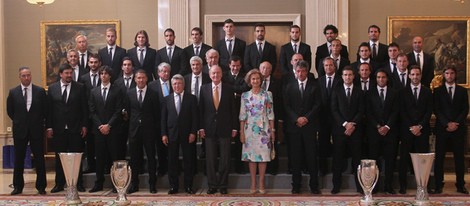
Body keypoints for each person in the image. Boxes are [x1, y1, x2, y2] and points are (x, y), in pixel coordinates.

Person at [46, 63, 88, 193]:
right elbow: (49, 110)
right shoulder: (52, 88)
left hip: (75, 128)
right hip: (59, 129)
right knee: (60, 158)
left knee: (76, 158)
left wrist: (84, 125)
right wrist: (49, 127)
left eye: (71, 73)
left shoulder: (80, 88)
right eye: (67, 73)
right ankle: (59, 183)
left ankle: (78, 183)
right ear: (61, 74)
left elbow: (84, 109)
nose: (69, 75)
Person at [7, 67, 47, 195]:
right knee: (18, 159)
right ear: (20, 77)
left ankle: (41, 186)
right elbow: (10, 111)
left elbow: (45, 110)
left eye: (28, 75)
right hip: (20, 130)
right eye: (23, 76)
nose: (26, 78)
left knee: (39, 159)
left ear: (31, 76)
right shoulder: (13, 92)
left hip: (36, 130)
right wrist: (20, 121)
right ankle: (18, 186)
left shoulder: (39, 91)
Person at [283, 60, 321, 194]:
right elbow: (286, 106)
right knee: (295, 158)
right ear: (295, 72)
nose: (300, 73)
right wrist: (296, 119)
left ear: (307, 71)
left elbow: (317, 105)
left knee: (311, 157)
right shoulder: (289, 86)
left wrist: (306, 118)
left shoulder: (314, 86)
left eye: (303, 71)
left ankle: (314, 186)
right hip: (294, 128)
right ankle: (296, 186)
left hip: (309, 127)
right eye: (298, 71)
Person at [199, 65, 238, 195]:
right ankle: (212, 185)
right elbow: (201, 109)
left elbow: (233, 110)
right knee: (210, 159)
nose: (215, 75)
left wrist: (234, 127)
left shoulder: (228, 89)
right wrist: (201, 128)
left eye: (218, 73)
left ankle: (223, 185)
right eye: (213, 73)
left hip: (225, 128)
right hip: (209, 128)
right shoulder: (203, 89)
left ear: (222, 74)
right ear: (210, 75)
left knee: (225, 158)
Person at [433, 65, 469, 194]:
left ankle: (460, 184)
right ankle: (438, 184)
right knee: (440, 158)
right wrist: (447, 123)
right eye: (447, 73)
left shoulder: (462, 91)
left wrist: (456, 123)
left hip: (458, 130)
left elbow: (465, 109)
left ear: (455, 75)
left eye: (452, 73)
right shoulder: (438, 91)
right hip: (443, 129)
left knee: (459, 158)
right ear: (444, 75)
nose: (449, 76)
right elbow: (437, 109)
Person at [87, 66, 123, 193]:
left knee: (115, 157)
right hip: (98, 130)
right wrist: (100, 126)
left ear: (110, 76)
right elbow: (92, 111)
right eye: (101, 74)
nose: (103, 76)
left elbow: (118, 111)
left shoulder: (117, 91)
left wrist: (109, 125)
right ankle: (99, 183)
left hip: (113, 130)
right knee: (100, 158)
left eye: (106, 74)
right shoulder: (94, 91)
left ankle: (116, 183)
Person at [161, 74, 199, 195]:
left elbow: (195, 118)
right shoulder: (167, 99)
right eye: (175, 84)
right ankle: (174, 186)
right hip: (171, 134)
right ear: (172, 86)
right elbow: (163, 118)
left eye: (179, 83)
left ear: (184, 85)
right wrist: (164, 134)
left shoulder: (191, 98)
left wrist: (193, 132)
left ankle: (188, 186)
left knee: (188, 160)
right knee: (172, 161)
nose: (177, 86)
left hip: (188, 134)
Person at [239, 69, 275, 194]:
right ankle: (253, 182)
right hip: (249, 130)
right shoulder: (245, 96)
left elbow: (271, 114)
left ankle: (261, 183)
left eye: (258, 78)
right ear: (249, 80)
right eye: (253, 79)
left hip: (264, 129)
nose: (255, 81)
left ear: (261, 80)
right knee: (252, 157)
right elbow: (242, 115)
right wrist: (241, 132)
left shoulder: (267, 94)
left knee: (263, 156)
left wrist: (273, 130)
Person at [398, 65, 432, 194]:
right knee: (404, 159)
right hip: (407, 131)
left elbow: (429, 111)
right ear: (409, 76)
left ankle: (422, 185)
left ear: (421, 76)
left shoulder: (427, 92)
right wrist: (411, 127)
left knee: (422, 160)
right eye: (413, 74)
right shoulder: (402, 92)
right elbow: (402, 111)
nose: (415, 77)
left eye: (417, 74)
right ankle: (403, 186)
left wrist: (420, 126)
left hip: (422, 131)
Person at [330, 66, 364, 194]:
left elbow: (361, 110)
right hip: (340, 131)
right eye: (345, 75)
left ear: (354, 76)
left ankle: (359, 186)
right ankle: (336, 186)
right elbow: (334, 110)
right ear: (342, 76)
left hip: (355, 130)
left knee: (357, 160)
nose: (348, 77)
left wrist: (352, 125)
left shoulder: (359, 91)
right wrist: (345, 124)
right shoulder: (336, 91)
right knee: (337, 159)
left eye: (350, 75)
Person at [125, 70, 160, 194]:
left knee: (151, 158)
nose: (140, 80)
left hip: (149, 131)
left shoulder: (153, 94)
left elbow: (157, 114)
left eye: (143, 78)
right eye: (138, 78)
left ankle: (152, 185)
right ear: (135, 79)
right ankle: (135, 185)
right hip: (134, 131)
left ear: (147, 79)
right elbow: (127, 113)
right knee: (134, 159)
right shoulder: (129, 93)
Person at [366, 69, 399, 194]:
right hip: (374, 132)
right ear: (376, 79)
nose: (381, 79)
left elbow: (395, 111)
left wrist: (387, 126)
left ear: (387, 78)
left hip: (390, 132)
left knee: (390, 160)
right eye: (379, 77)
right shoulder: (369, 93)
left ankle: (388, 186)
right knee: (374, 160)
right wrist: (378, 126)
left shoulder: (394, 93)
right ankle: (374, 186)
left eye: (383, 77)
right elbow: (368, 112)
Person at [317, 57, 342, 175]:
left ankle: (337, 169)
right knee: (322, 145)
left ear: (335, 66)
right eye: (326, 65)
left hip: (337, 119)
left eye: (330, 65)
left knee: (338, 146)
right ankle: (322, 169)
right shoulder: (319, 81)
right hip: (322, 118)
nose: (328, 67)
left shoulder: (341, 80)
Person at [79, 53, 102, 174]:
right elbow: (82, 98)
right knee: (89, 143)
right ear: (88, 64)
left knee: (101, 143)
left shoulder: (104, 76)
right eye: (91, 62)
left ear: (99, 63)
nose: (93, 64)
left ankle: (103, 166)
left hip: (101, 114)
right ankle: (91, 165)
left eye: (96, 62)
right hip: (88, 115)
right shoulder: (83, 78)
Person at [148, 63, 172, 176]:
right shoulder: (152, 85)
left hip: (172, 121)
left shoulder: (175, 83)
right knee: (159, 146)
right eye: (163, 71)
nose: (166, 73)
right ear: (158, 73)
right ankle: (161, 167)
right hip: (157, 121)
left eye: (167, 71)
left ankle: (172, 167)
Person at [260, 62, 283, 175]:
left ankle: (273, 168)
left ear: (271, 70)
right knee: (260, 143)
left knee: (272, 141)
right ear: (260, 69)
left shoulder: (278, 83)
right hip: (258, 120)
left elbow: (279, 101)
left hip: (273, 117)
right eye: (263, 68)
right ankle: (261, 169)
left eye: (268, 68)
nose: (265, 70)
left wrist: (278, 118)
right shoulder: (255, 82)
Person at [113, 57, 136, 160]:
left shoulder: (138, 80)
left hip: (134, 117)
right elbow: (116, 100)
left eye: (129, 65)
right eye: (125, 65)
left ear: (133, 67)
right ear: (122, 67)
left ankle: (136, 167)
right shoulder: (117, 83)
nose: (127, 67)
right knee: (120, 145)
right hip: (121, 119)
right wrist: (122, 112)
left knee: (134, 145)